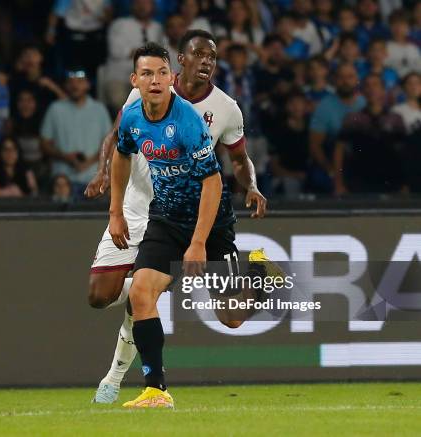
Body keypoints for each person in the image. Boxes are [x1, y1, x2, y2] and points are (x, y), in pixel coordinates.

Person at [85, 32, 278, 405]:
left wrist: (203, 237)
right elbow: (121, 146)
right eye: (199, 54)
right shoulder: (140, 101)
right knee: (139, 293)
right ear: (180, 61)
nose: (206, 61)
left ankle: (260, 271)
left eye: (212, 56)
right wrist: (111, 198)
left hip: (208, 219)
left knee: (231, 318)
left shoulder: (208, 114)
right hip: (161, 212)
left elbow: (221, 173)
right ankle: (155, 390)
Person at [40, 69, 112, 192]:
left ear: (88, 84)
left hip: (94, 181)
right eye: (70, 81)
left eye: (79, 81)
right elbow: (43, 144)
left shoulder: (99, 109)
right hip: (62, 182)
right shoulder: (55, 109)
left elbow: (110, 144)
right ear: (65, 85)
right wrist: (65, 157)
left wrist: (88, 162)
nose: (75, 85)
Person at [333, 74, 406, 194]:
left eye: (375, 85)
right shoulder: (352, 119)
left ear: (383, 90)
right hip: (359, 182)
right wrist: (338, 182)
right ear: (362, 91)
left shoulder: (396, 119)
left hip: (391, 182)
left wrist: (405, 183)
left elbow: (403, 154)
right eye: (367, 85)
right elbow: (339, 150)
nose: (371, 89)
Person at [308, 63, 365, 193]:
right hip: (332, 159)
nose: (345, 81)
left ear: (357, 79)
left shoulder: (365, 102)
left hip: (363, 161)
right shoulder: (324, 106)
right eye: (341, 77)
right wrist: (331, 170)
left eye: (350, 77)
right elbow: (315, 146)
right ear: (334, 80)